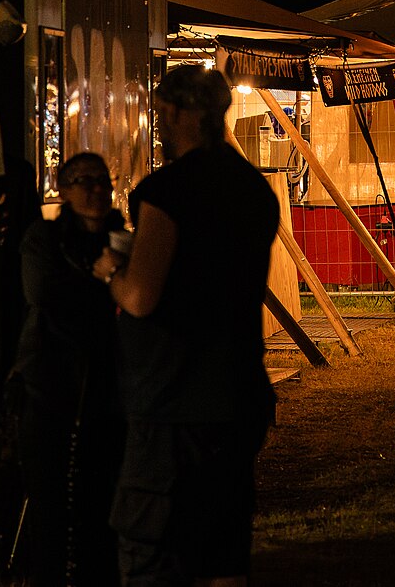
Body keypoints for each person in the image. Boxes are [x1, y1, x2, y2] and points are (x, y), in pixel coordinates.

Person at [95, 65, 278, 587]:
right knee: (222, 548)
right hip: (238, 391)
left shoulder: (167, 192)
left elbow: (141, 295)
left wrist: (111, 272)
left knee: (157, 547)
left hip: (174, 398)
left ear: (178, 113)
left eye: (160, 112)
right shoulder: (253, 191)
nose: (157, 122)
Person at [12, 151, 126, 586]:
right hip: (49, 387)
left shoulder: (121, 238)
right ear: (63, 189)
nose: (96, 189)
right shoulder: (44, 239)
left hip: (105, 390)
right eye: (83, 180)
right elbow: (45, 297)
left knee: (100, 503)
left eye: (101, 180)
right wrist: (104, 281)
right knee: (52, 506)